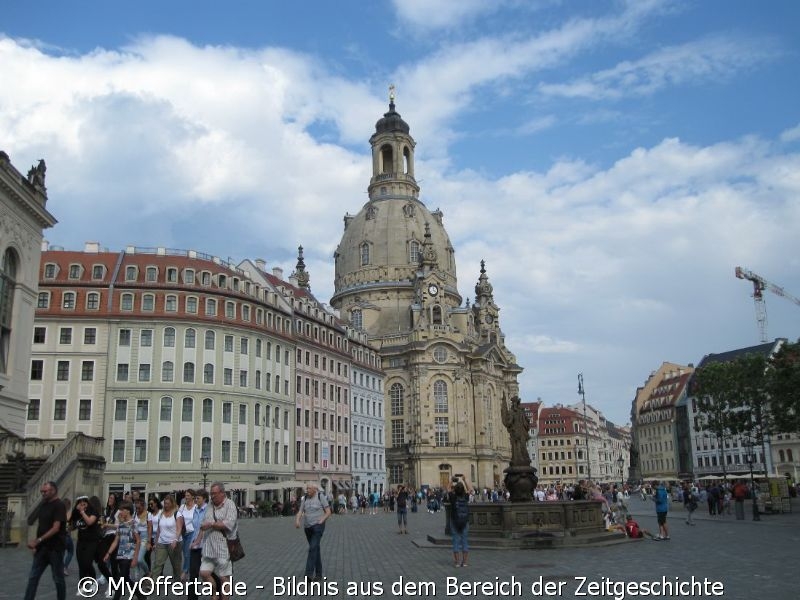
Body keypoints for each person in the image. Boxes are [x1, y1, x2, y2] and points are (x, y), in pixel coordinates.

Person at [24, 481, 67, 600]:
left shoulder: (59, 505)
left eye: (45, 491)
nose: (43, 493)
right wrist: (36, 545)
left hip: (55, 548)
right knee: (33, 577)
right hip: (42, 549)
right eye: (42, 491)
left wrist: (38, 541)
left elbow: (56, 528)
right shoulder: (43, 504)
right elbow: (41, 526)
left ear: (53, 490)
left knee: (58, 579)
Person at [197, 482, 238, 600]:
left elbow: (228, 524)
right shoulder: (210, 504)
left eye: (214, 493)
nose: (212, 496)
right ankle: (214, 594)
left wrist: (211, 524)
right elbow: (206, 521)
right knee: (204, 573)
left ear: (222, 493)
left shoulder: (230, 505)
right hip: (208, 547)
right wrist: (210, 524)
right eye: (211, 493)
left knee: (224, 578)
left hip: (223, 547)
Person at [294, 484, 331, 581]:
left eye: (309, 488)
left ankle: (308, 574)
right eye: (307, 488)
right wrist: (297, 520)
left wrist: (322, 520)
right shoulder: (305, 498)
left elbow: (328, 511)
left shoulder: (320, 496)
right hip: (308, 527)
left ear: (315, 489)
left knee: (312, 548)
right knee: (315, 549)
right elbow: (300, 511)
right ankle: (319, 574)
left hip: (318, 526)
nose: (307, 490)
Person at [104, 502, 139, 600]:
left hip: (129, 555)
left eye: (122, 510)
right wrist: (108, 553)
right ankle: (142, 596)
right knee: (126, 579)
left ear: (128, 511)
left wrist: (135, 557)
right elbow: (116, 540)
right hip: (120, 555)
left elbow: (138, 540)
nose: (120, 512)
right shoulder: (120, 524)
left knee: (121, 579)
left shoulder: (134, 524)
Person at [150, 494, 184, 578]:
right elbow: (159, 529)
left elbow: (179, 528)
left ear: (172, 503)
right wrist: (156, 542)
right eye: (165, 503)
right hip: (162, 542)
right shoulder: (161, 514)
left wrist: (175, 540)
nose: (166, 505)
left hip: (174, 543)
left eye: (168, 503)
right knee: (158, 563)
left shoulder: (177, 514)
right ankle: (152, 583)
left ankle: (177, 582)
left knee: (176, 565)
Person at [70, 495, 101, 583]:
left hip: (91, 541)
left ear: (87, 503)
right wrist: (74, 512)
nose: (82, 505)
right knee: (81, 563)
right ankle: (82, 584)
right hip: (81, 541)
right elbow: (72, 526)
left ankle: (93, 581)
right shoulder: (77, 513)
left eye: (84, 503)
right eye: (80, 504)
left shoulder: (93, 512)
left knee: (87, 563)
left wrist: (82, 512)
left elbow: (90, 522)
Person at [448, 475, 474, 568]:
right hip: (464, 521)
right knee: (464, 541)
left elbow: (448, 489)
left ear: (454, 490)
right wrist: (465, 480)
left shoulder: (453, 497)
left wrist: (451, 480)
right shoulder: (466, 497)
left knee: (455, 542)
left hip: (454, 521)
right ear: (463, 490)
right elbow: (471, 490)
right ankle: (465, 562)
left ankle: (457, 562)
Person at [178, 489, 197, 581]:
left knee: (187, 553)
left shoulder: (196, 507)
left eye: (188, 495)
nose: (186, 497)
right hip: (182, 532)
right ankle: (189, 570)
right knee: (183, 553)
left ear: (193, 496)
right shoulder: (182, 507)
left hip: (192, 532)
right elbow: (178, 519)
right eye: (186, 495)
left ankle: (185, 571)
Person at [62, 498, 74, 577]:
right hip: (67, 536)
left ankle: (61, 567)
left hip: (60, 536)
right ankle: (64, 567)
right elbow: (71, 527)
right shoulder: (69, 514)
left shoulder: (59, 513)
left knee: (62, 553)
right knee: (70, 551)